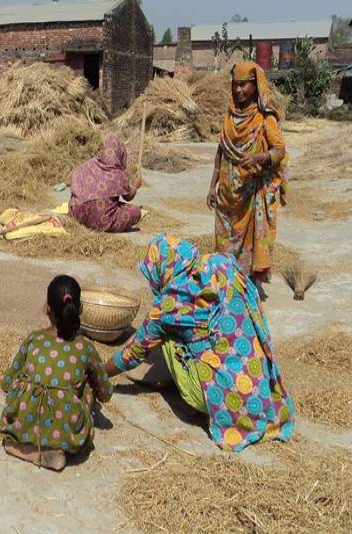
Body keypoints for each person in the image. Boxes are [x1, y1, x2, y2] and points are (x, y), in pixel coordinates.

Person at [102, 234, 295, 452]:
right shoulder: (224, 264)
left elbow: (132, 355)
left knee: (166, 338)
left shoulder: (167, 306)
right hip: (261, 390)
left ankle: (199, 402)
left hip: (227, 401)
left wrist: (97, 373)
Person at [0, 275, 113, 471]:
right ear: (80, 310)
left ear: (47, 308)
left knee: (29, 379)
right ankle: (56, 449)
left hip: (21, 421)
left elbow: (7, 382)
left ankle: (21, 444)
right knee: (85, 387)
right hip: (63, 428)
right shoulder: (84, 347)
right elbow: (105, 393)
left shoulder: (34, 339)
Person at [207, 61, 289, 289]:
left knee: (248, 245)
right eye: (235, 85)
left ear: (256, 85)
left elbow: (280, 151)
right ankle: (227, 284)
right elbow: (221, 150)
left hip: (250, 196)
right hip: (225, 195)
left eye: (244, 85)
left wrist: (258, 157)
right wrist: (212, 185)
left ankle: (247, 290)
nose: (238, 90)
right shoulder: (230, 116)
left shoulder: (265, 118)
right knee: (224, 242)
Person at [68, 135, 142, 233]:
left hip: (76, 215)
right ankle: (99, 221)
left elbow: (75, 176)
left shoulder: (90, 164)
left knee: (108, 201)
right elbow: (128, 197)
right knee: (136, 212)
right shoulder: (118, 174)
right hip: (100, 219)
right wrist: (135, 186)